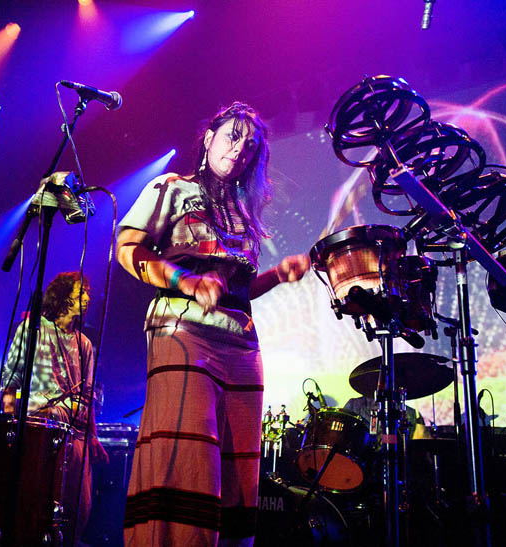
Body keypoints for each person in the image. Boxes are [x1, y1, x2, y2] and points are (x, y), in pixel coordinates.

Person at [116, 102, 310, 546]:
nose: (239, 150)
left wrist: (278, 276)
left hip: (242, 344)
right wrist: (183, 279)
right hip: (183, 332)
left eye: (250, 145)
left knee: (239, 467)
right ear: (208, 138)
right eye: (232, 136)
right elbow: (127, 248)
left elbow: (235, 292)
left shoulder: (244, 215)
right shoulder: (170, 187)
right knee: (189, 458)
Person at [0, 271, 108, 546]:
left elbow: (88, 394)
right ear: (62, 295)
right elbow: (10, 382)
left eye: (87, 293)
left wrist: (93, 435)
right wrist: (10, 425)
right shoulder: (32, 329)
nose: (87, 298)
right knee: (36, 502)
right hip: (41, 425)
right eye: (81, 291)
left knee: (78, 510)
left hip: (77, 430)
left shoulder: (84, 344)